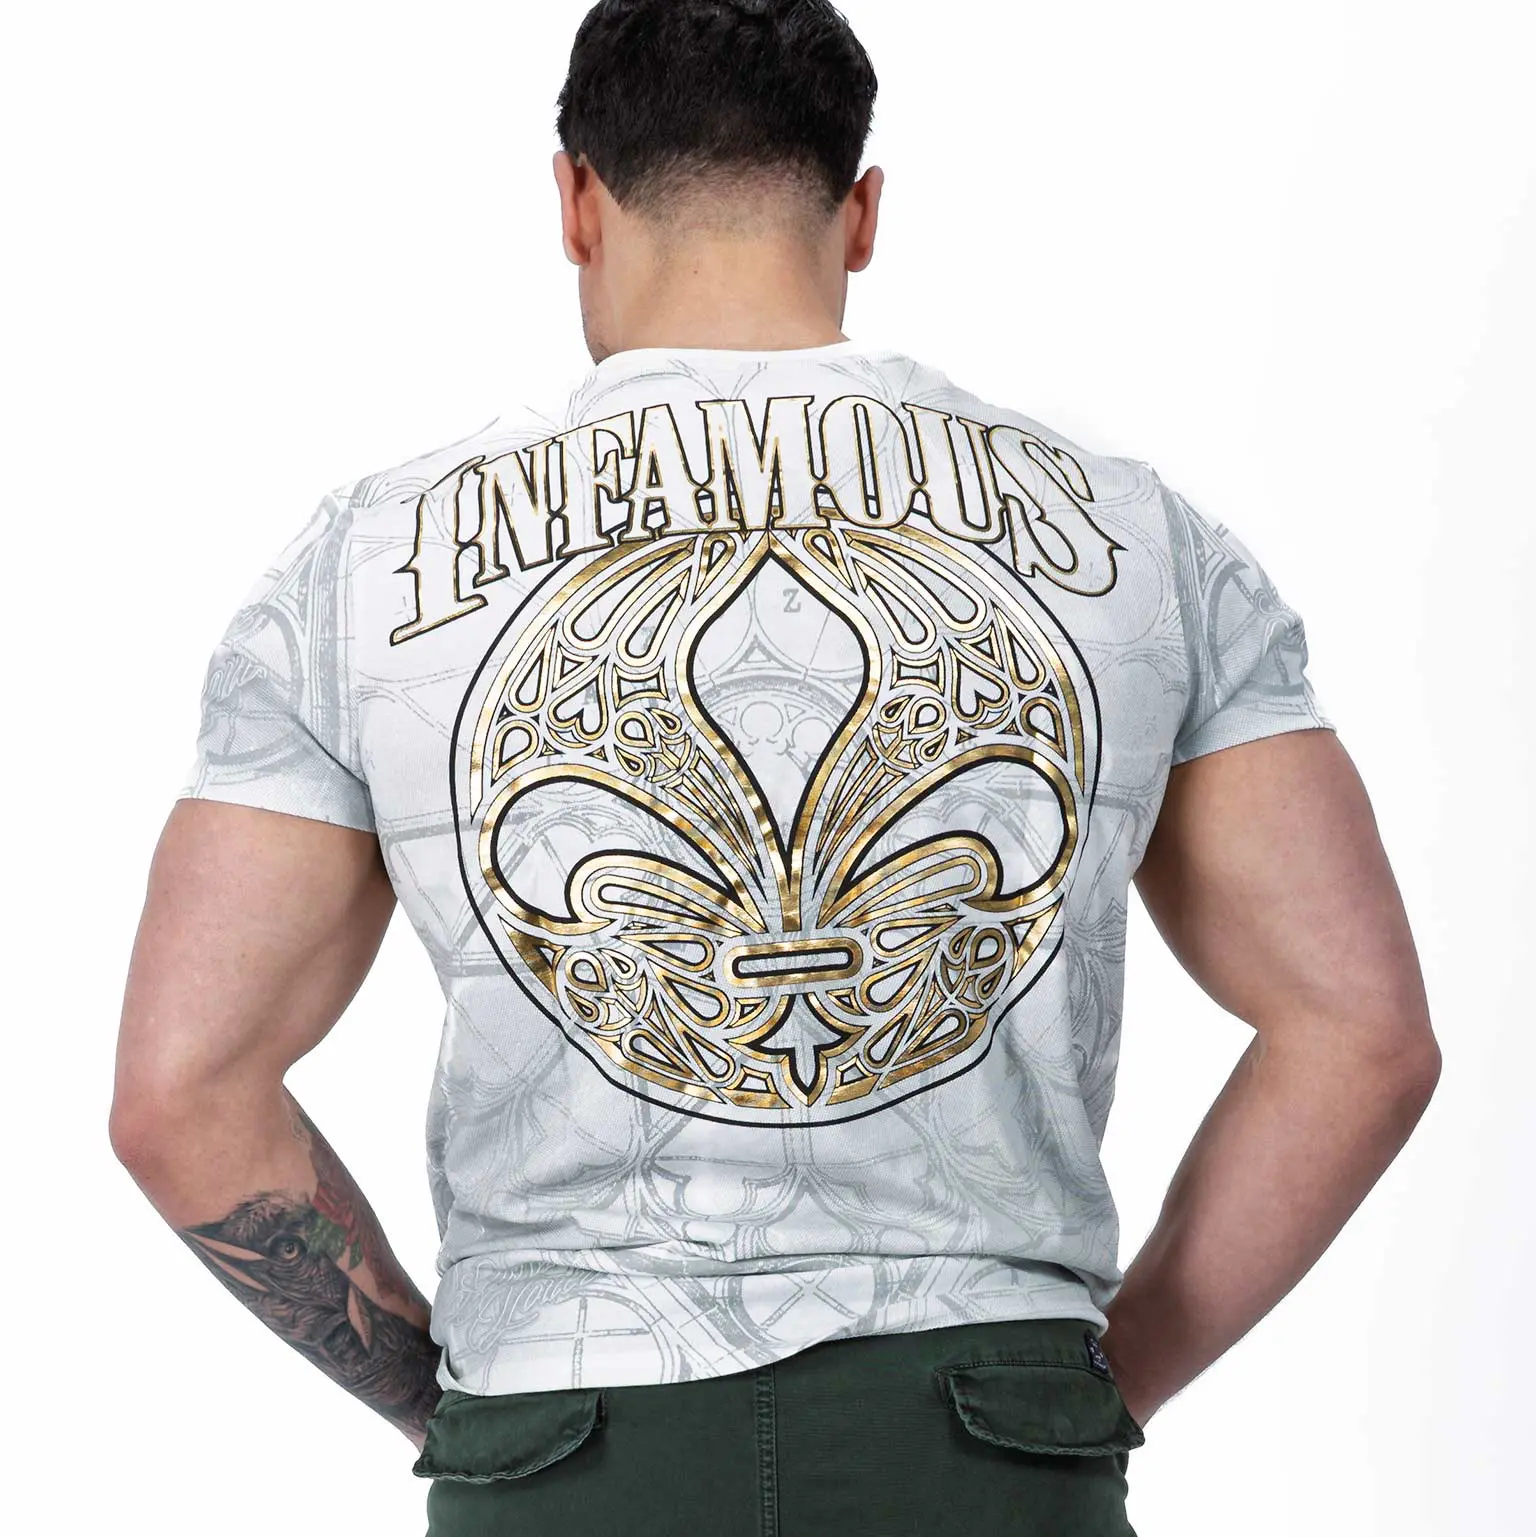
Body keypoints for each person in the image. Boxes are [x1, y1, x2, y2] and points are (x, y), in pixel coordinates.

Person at [109, 2, 1441, 1533]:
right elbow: (1362, 1033)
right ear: (861, 211)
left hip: (565, 1444)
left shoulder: (367, 566)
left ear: (576, 200)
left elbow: (179, 1095)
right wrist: (1097, 1386)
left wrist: (468, 1407)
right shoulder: (1140, 539)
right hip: (992, 1438)